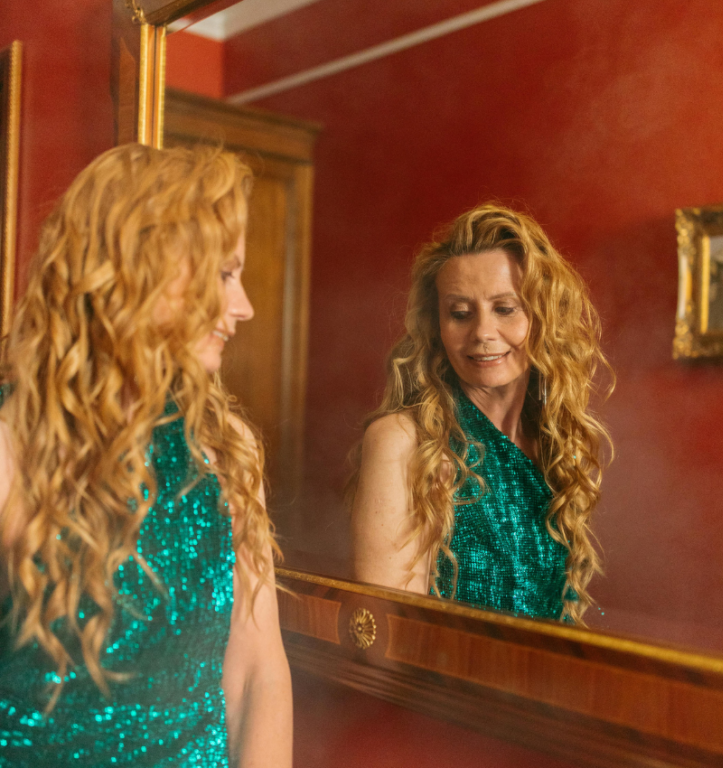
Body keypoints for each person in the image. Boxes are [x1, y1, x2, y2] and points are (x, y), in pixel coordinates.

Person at [0, 144, 292, 766]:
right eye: (222, 273)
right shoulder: (9, 445)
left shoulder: (225, 451)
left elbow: (257, 673)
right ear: (139, 267)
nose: (243, 307)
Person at [350, 203, 612, 624]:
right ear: (436, 325)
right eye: (460, 313)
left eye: (505, 309)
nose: (483, 333)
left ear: (543, 317)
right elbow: (387, 636)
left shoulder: (555, 445)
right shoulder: (404, 440)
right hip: (444, 689)